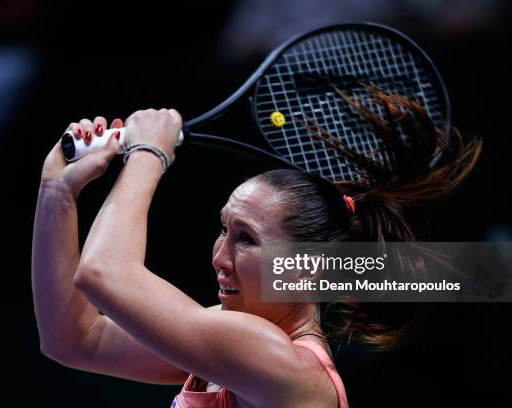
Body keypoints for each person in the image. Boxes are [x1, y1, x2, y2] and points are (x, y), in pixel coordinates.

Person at [32, 90, 480, 407]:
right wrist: (57, 193)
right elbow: (73, 339)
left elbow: (104, 274)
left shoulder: (273, 357)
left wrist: (150, 152)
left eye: (246, 239)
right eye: (223, 230)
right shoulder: (222, 341)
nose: (219, 257)